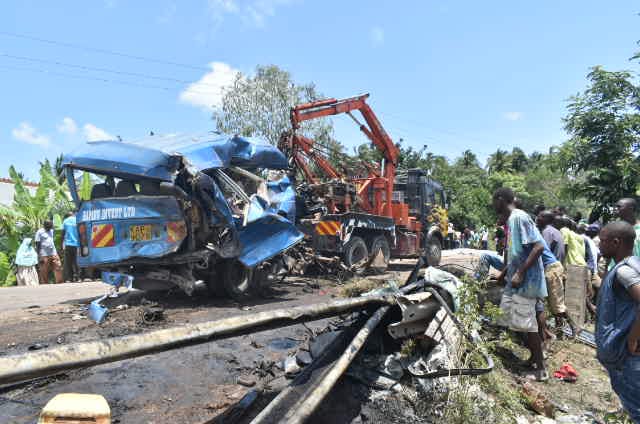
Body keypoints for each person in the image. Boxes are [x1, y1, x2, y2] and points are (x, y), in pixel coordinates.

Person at [493, 187, 548, 381]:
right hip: (517, 280)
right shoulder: (511, 220)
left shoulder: (519, 217)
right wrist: (505, 274)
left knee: (527, 324)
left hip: (527, 281)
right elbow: (517, 254)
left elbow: (539, 246)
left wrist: (520, 273)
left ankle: (541, 369)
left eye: (494, 200)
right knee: (509, 315)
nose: (493, 205)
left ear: (501, 199)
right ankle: (534, 356)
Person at [596, 221, 640, 421]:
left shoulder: (624, 271)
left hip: (627, 357)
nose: (599, 245)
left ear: (616, 242)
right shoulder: (633, 264)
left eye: (602, 241)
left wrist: (632, 337)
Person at [536, 211, 574, 332]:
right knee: (553, 301)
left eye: (541, 216)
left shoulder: (547, 232)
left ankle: (574, 327)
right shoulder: (556, 231)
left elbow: (541, 249)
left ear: (547, 220)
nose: (538, 218)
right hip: (555, 266)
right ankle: (558, 327)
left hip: (551, 268)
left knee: (557, 303)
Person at [35, 220, 63, 284]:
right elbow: (37, 244)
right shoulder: (39, 232)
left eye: (51, 226)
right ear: (45, 225)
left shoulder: (51, 231)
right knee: (44, 270)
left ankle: (59, 282)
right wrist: (39, 255)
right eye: (49, 226)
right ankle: (44, 283)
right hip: (44, 254)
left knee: (58, 266)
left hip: (53, 252)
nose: (50, 227)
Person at [61, 211, 80, 283]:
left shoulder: (65, 221)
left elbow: (63, 233)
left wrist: (61, 245)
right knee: (76, 262)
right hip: (77, 244)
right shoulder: (77, 219)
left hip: (68, 244)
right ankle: (78, 278)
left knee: (68, 262)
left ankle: (70, 278)